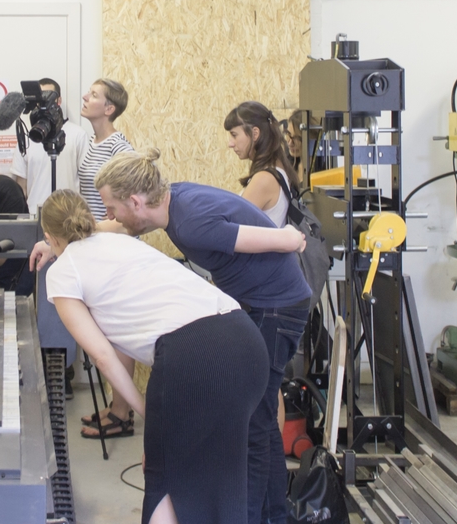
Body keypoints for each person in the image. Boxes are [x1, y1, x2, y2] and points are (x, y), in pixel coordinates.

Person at [33, 150, 310, 524]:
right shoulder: (152, 218)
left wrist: (144, 411)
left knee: (172, 470)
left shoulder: (186, 223)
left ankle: (268, 516)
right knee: (233, 454)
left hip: (225, 332)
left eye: (112, 208)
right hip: (241, 330)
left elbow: (102, 355)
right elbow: (105, 229)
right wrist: (58, 240)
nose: (111, 217)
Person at [10, 77, 89, 213]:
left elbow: (86, 180)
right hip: (35, 214)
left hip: (68, 214)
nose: (43, 103)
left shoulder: (78, 134)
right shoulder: (29, 136)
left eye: (48, 97)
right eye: (40, 98)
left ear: (58, 101)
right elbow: (21, 183)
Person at [224, 101, 297, 228]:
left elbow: (233, 227)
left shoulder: (264, 179)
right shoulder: (277, 168)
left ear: (255, 134)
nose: (230, 143)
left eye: (234, 135)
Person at [78, 78, 134, 220]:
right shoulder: (92, 141)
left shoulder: (118, 146)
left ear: (109, 109)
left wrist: (112, 220)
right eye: (89, 92)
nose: (85, 97)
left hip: (108, 233)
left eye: (94, 95)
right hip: (92, 231)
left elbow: (137, 189)